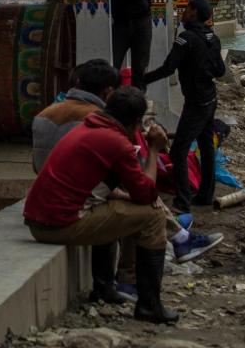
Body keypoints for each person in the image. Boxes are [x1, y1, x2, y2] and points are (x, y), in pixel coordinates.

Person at [24, 86, 179, 325]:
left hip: (42, 219)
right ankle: (150, 305)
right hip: (58, 225)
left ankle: (105, 287)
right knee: (153, 216)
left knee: (116, 206)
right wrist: (153, 149)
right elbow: (147, 194)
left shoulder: (90, 126)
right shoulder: (115, 141)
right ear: (135, 122)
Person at [143, 0, 226, 211]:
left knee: (178, 150)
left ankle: (182, 201)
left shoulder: (185, 38)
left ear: (195, 12)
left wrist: (142, 80)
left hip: (196, 102)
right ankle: (206, 195)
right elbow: (220, 71)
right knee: (206, 146)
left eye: (187, 9)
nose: (184, 12)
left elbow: (169, 68)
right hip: (210, 99)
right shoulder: (213, 38)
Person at [32, 58, 120, 173]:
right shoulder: (101, 119)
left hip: (44, 182)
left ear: (78, 82)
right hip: (80, 187)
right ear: (108, 91)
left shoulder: (42, 115)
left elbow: (35, 165)